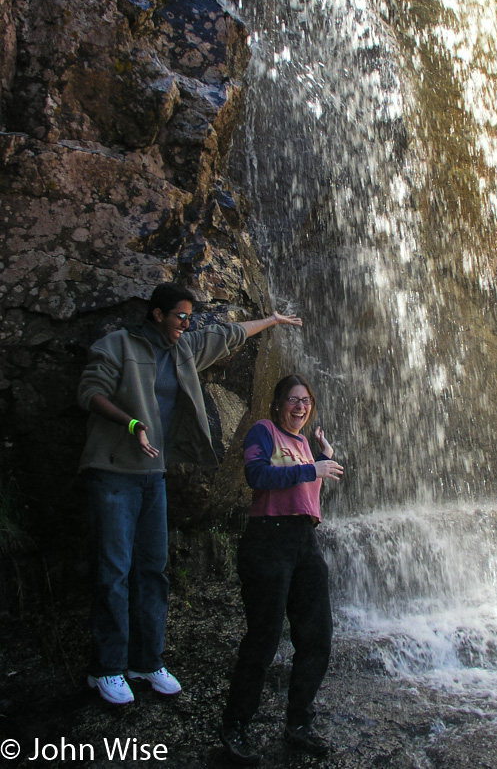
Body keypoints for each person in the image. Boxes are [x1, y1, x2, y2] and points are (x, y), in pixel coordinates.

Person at [77, 282, 302, 705]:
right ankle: (106, 668)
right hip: (112, 473)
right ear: (157, 314)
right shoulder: (117, 345)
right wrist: (132, 424)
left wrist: (272, 320)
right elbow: (90, 392)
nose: (186, 323)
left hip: (152, 477)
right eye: (180, 316)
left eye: (189, 317)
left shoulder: (183, 349)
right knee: (114, 572)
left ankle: (146, 661)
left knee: (152, 569)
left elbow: (228, 334)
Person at [220, 374, 344, 765]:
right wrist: (312, 469)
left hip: (305, 541)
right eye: (292, 399)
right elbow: (256, 476)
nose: (300, 406)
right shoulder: (263, 431)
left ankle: (299, 722)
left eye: (305, 400)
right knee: (264, 638)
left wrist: (320, 459)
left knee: (317, 636)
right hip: (268, 539)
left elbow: (304, 487)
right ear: (278, 404)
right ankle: (235, 725)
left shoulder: (305, 444)